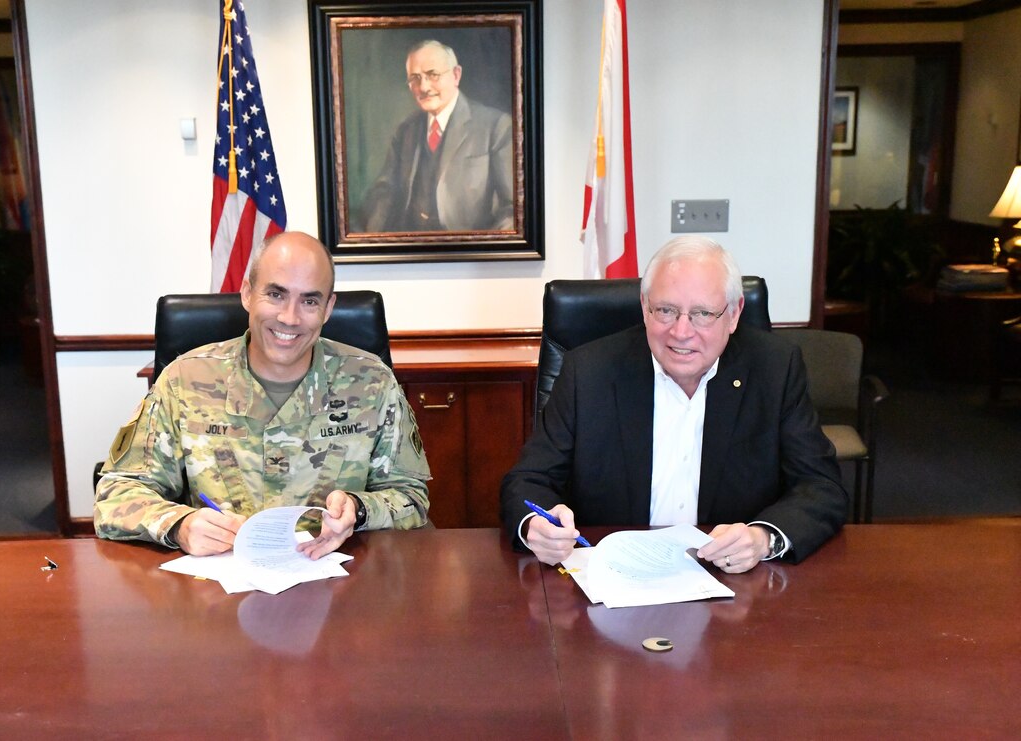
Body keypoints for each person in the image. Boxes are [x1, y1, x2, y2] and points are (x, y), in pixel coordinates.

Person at [501, 236, 847, 573]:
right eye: (666, 310)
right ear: (644, 306)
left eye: (702, 313)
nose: (681, 332)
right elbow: (529, 479)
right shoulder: (588, 372)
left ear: (734, 313)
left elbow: (821, 487)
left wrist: (762, 538)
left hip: (731, 583)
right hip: (613, 580)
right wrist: (537, 525)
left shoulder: (775, 369)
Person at [95, 232, 431, 560]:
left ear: (328, 308)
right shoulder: (184, 381)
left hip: (334, 582)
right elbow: (116, 494)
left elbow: (412, 499)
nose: (290, 317)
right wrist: (179, 525)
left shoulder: (372, 383)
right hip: (217, 590)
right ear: (246, 294)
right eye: (275, 294)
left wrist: (359, 510)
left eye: (309, 300)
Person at [360, 39, 514, 233]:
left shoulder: (496, 127)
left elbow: (513, 211)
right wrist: (373, 242)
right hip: (409, 252)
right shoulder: (406, 130)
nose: (423, 87)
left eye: (432, 75)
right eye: (414, 78)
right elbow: (385, 193)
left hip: (467, 253)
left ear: (456, 75)